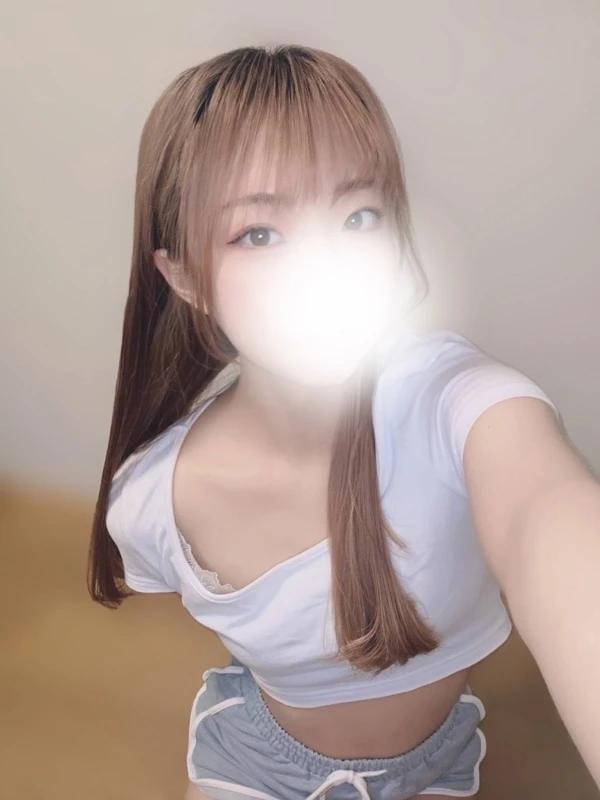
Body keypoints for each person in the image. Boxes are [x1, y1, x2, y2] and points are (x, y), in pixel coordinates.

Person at [88, 45, 600, 800]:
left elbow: (546, 511)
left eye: (359, 216)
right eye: (259, 233)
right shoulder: (155, 501)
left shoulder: (460, 403)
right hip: (256, 763)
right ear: (185, 276)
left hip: (438, 762)